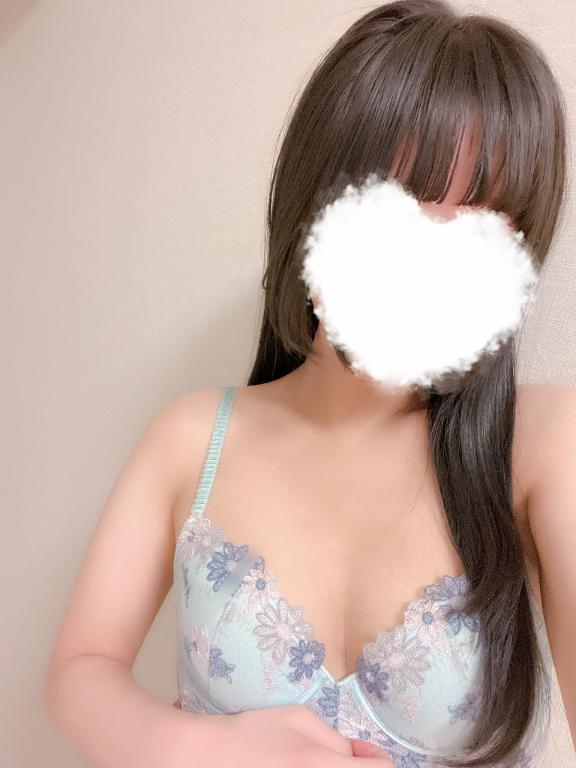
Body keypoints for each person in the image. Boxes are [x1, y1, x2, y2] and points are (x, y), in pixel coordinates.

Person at [44, 1, 573, 766]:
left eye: (488, 226)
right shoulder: (193, 437)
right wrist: (199, 747)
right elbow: (79, 671)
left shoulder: (544, 446)